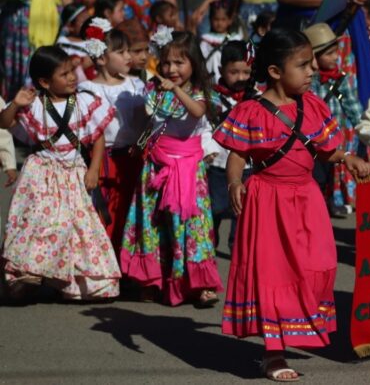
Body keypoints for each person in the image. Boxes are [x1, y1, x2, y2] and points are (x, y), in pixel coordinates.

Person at [213, 28, 370, 381]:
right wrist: (235, 181)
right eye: (302, 65)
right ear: (274, 71)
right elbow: (237, 155)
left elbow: (326, 152)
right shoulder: (250, 111)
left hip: (307, 198)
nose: (312, 70)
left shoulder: (313, 105)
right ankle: (273, 353)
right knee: (272, 276)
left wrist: (349, 158)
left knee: (320, 264)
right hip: (267, 199)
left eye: (312, 63)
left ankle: (300, 326)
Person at [0, 46, 119, 301]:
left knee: (78, 227)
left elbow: (96, 138)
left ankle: (79, 283)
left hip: (74, 173)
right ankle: (28, 270)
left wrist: (94, 169)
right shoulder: (33, 106)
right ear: (44, 81)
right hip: (41, 174)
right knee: (38, 223)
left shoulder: (84, 101)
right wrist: (14, 104)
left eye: (72, 71)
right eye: (64, 74)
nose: (72, 78)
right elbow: (4, 123)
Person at [120, 29, 223, 307]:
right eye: (166, 63)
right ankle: (152, 281)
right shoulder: (153, 90)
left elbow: (197, 112)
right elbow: (150, 121)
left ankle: (200, 283)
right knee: (152, 221)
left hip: (188, 169)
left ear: (194, 64)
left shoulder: (200, 93)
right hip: (156, 165)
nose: (171, 69)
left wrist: (175, 88)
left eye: (179, 63)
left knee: (194, 226)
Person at [78, 18, 147, 254]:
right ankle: (104, 266)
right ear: (101, 58)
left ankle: (127, 265)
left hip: (133, 157)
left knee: (129, 211)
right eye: (121, 51)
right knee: (104, 213)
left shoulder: (136, 84)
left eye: (129, 50)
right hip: (103, 160)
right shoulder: (87, 89)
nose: (129, 56)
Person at [0, 0, 73, 98]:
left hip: (49, 19)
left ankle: (45, 106)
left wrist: (72, 22)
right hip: (18, 20)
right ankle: (15, 107)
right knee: (18, 67)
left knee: (46, 62)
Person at [303, 23, 363, 215]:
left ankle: (324, 207)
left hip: (332, 141)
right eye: (329, 54)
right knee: (314, 176)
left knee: (328, 175)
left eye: (336, 52)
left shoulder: (341, 78)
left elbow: (353, 107)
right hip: (309, 141)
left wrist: (364, 131)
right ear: (314, 57)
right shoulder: (307, 81)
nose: (335, 58)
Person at [205, 40, 259, 249]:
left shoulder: (256, 97)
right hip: (218, 163)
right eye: (234, 72)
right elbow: (205, 126)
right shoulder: (212, 98)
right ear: (221, 70)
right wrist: (207, 150)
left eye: (246, 72)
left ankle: (237, 246)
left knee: (242, 208)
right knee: (215, 208)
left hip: (247, 164)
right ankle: (210, 240)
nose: (240, 78)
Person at [200, 0, 244, 83]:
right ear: (210, 19)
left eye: (223, 19)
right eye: (216, 19)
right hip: (210, 80)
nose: (219, 23)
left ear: (230, 20)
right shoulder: (205, 39)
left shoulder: (236, 39)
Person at [56, 4, 94, 83]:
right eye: (84, 21)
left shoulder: (93, 42)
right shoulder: (62, 43)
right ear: (70, 27)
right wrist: (81, 65)